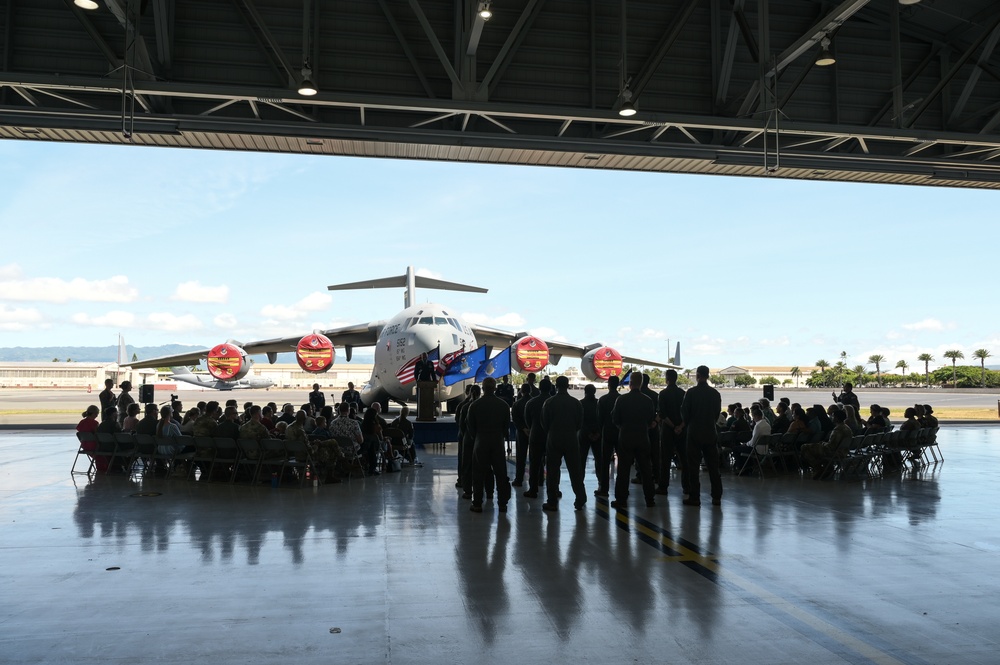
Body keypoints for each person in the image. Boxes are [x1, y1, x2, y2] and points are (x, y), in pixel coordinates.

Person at [610, 370, 656, 509]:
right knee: (646, 470)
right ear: (641, 383)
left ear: (630, 383)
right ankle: (650, 499)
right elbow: (650, 421)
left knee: (623, 470)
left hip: (626, 438)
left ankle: (621, 499)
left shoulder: (621, 400)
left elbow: (615, 419)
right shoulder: (647, 400)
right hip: (642, 438)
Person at [466, 377, 512, 513]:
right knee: (501, 474)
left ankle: (478, 503)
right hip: (497, 442)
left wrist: (478, 437)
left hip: (481, 441)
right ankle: (502, 504)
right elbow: (506, 427)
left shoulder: (474, 406)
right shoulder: (503, 405)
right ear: (495, 388)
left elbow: (470, 427)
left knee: (478, 473)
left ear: (483, 388)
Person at [679, 365, 723, 507]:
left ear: (697, 376)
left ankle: (694, 497)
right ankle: (716, 496)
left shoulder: (691, 393)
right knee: (713, 467)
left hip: (694, 433)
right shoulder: (715, 394)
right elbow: (717, 414)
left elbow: (685, 414)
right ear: (708, 375)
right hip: (710, 432)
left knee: (693, 467)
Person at [541, 375, 586, 511]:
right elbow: (579, 423)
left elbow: (544, 423)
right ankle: (580, 498)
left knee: (552, 472)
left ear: (556, 385)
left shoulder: (549, 402)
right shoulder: (576, 403)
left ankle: (552, 501)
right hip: (571, 439)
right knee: (575, 471)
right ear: (567, 385)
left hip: (554, 438)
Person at [656, 369, 686, 497]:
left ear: (667, 379)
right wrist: (680, 426)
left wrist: (673, 426)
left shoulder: (663, 393)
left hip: (668, 431)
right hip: (682, 430)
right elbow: (687, 413)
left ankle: (663, 487)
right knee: (684, 460)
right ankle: (687, 487)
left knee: (665, 460)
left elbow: (662, 414)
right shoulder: (683, 393)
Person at [801, 409, 853, 479]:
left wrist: (823, 444)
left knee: (805, 447)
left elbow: (831, 446)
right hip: (844, 451)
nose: (831, 417)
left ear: (836, 418)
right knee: (814, 447)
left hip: (835, 452)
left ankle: (819, 468)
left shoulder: (837, 430)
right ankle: (827, 467)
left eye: (833, 416)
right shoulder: (847, 428)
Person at [522, 376, 552, 498]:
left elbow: (527, 420)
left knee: (534, 464)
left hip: (536, 435)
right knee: (552, 464)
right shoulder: (553, 401)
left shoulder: (531, 402)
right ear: (550, 388)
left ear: (539, 388)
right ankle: (554, 489)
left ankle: (533, 489)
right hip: (550, 436)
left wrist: (534, 428)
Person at [594, 374, 621, 498]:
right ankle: (621, 489)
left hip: (607, 432)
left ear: (608, 385)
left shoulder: (603, 400)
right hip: (620, 433)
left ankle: (604, 489)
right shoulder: (621, 399)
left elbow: (599, 419)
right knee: (622, 462)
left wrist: (600, 431)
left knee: (604, 462)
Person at [734, 403, 771, 473]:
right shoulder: (767, 425)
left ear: (756, 416)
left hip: (756, 449)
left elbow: (753, 442)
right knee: (744, 448)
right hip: (765, 448)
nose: (753, 419)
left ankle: (741, 467)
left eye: (753, 417)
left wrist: (746, 444)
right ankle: (748, 466)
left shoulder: (758, 426)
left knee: (736, 448)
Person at [510, 384, 531, 487]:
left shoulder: (517, 404)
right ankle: (539, 479)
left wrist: (523, 429)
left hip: (521, 433)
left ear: (521, 391)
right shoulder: (534, 402)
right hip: (533, 433)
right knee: (536, 457)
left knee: (521, 457)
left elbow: (515, 419)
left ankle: (519, 480)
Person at [578, 384, 600, 481]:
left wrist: (588, 433)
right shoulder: (599, 403)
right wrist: (598, 432)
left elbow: (580, 420)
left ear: (585, 392)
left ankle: (579, 480)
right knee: (599, 459)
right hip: (598, 435)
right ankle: (601, 480)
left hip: (584, 435)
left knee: (581, 459)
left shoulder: (580, 403)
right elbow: (602, 419)